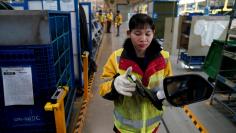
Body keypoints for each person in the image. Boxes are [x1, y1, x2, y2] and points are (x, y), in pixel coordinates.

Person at [99, 13, 173, 133]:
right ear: (129, 33)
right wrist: (114, 85)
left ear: (153, 32)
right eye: (137, 33)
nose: (143, 39)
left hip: (152, 127)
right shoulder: (117, 58)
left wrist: (169, 94)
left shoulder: (164, 58)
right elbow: (103, 87)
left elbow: (170, 83)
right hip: (125, 128)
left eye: (148, 34)